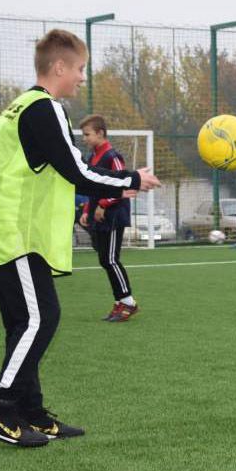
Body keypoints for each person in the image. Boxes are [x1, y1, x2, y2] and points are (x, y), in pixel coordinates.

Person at [0, 29, 160, 447]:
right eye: (81, 69)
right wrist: (131, 177)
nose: (83, 77)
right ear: (60, 67)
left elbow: (72, 164)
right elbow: (76, 171)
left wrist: (118, 187)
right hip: (10, 230)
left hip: (8, 228)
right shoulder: (42, 107)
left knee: (25, 320)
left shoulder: (26, 107)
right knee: (39, 318)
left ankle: (30, 412)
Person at [77, 115, 138, 322]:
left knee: (110, 259)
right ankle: (119, 301)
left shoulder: (113, 156)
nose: (84, 138)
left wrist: (104, 204)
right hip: (99, 217)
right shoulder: (93, 157)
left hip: (113, 216)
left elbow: (123, 185)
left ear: (100, 133)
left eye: (87, 134)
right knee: (105, 259)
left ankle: (128, 302)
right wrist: (87, 209)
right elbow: (91, 187)